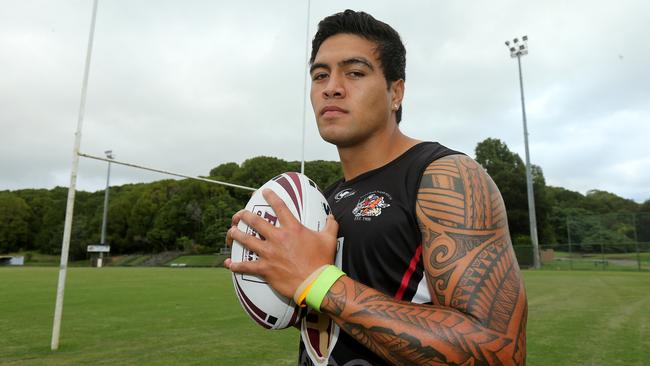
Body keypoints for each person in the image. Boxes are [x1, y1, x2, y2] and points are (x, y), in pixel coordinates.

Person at [226, 9, 527, 366]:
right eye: (320, 75)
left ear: (395, 91)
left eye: (354, 72)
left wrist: (319, 282)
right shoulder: (326, 201)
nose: (331, 87)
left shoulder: (445, 176)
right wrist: (277, 270)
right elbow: (341, 324)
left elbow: (498, 351)